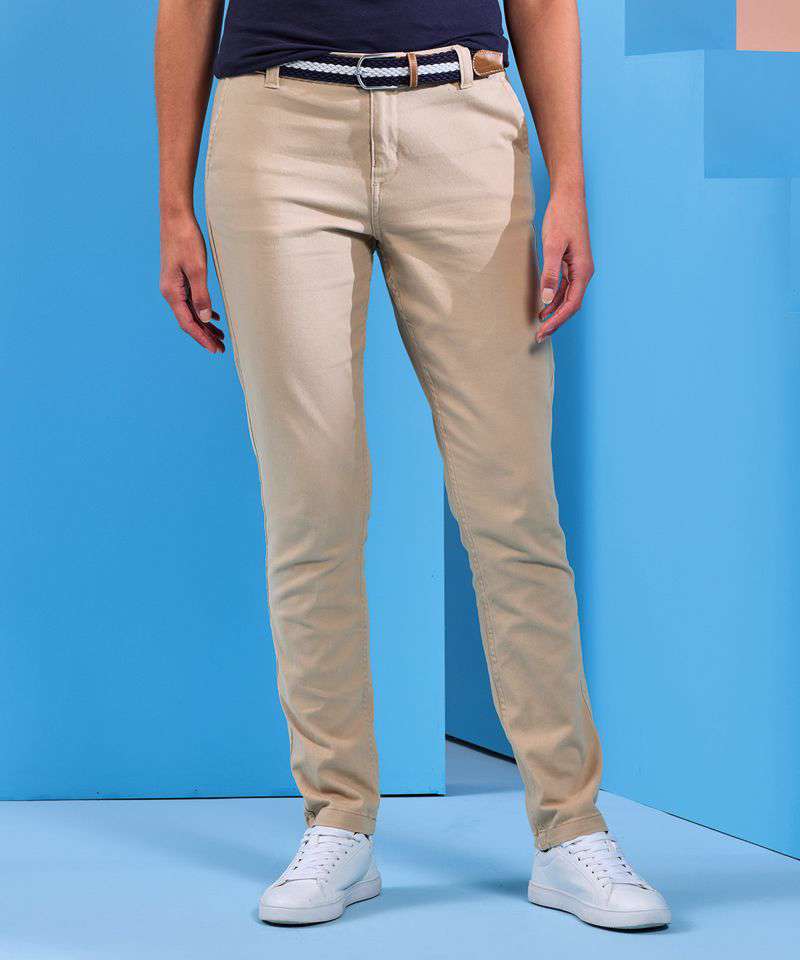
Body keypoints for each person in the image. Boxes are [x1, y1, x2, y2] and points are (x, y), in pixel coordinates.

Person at [155, 0, 670, 930]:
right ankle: (338, 822)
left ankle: (570, 830)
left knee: (513, 503)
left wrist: (570, 184)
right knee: (312, 505)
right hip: (276, 135)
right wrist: (172, 206)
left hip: (464, 122)